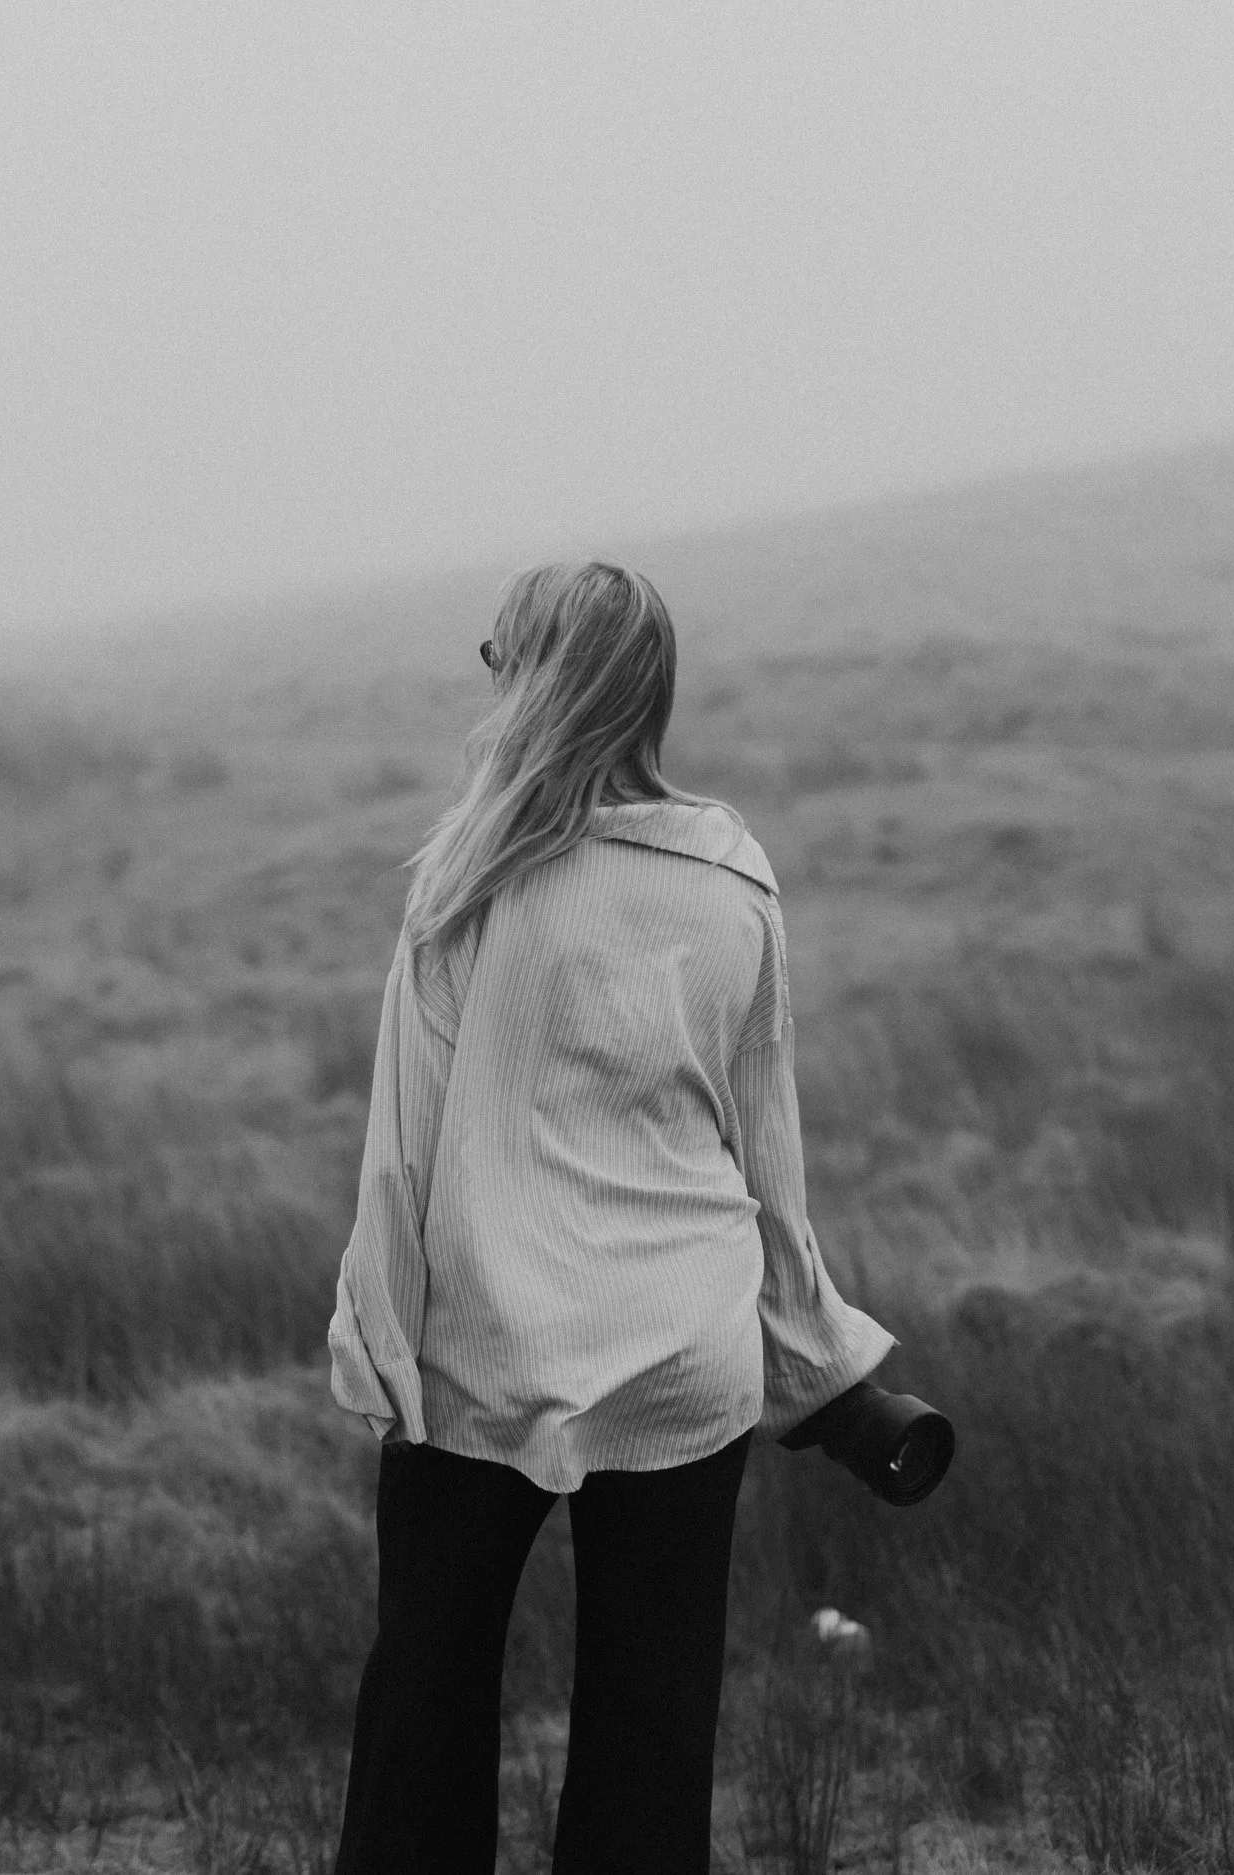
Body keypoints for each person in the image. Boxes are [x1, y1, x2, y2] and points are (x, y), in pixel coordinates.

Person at [326, 560, 895, 1873]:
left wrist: (380, 1355)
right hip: (690, 1353)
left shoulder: (470, 883)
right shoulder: (731, 873)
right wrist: (811, 1358)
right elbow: (767, 1154)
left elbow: (400, 1161)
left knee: (424, 1713)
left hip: (486, 1353)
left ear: (533, 687)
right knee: (652, 1726)